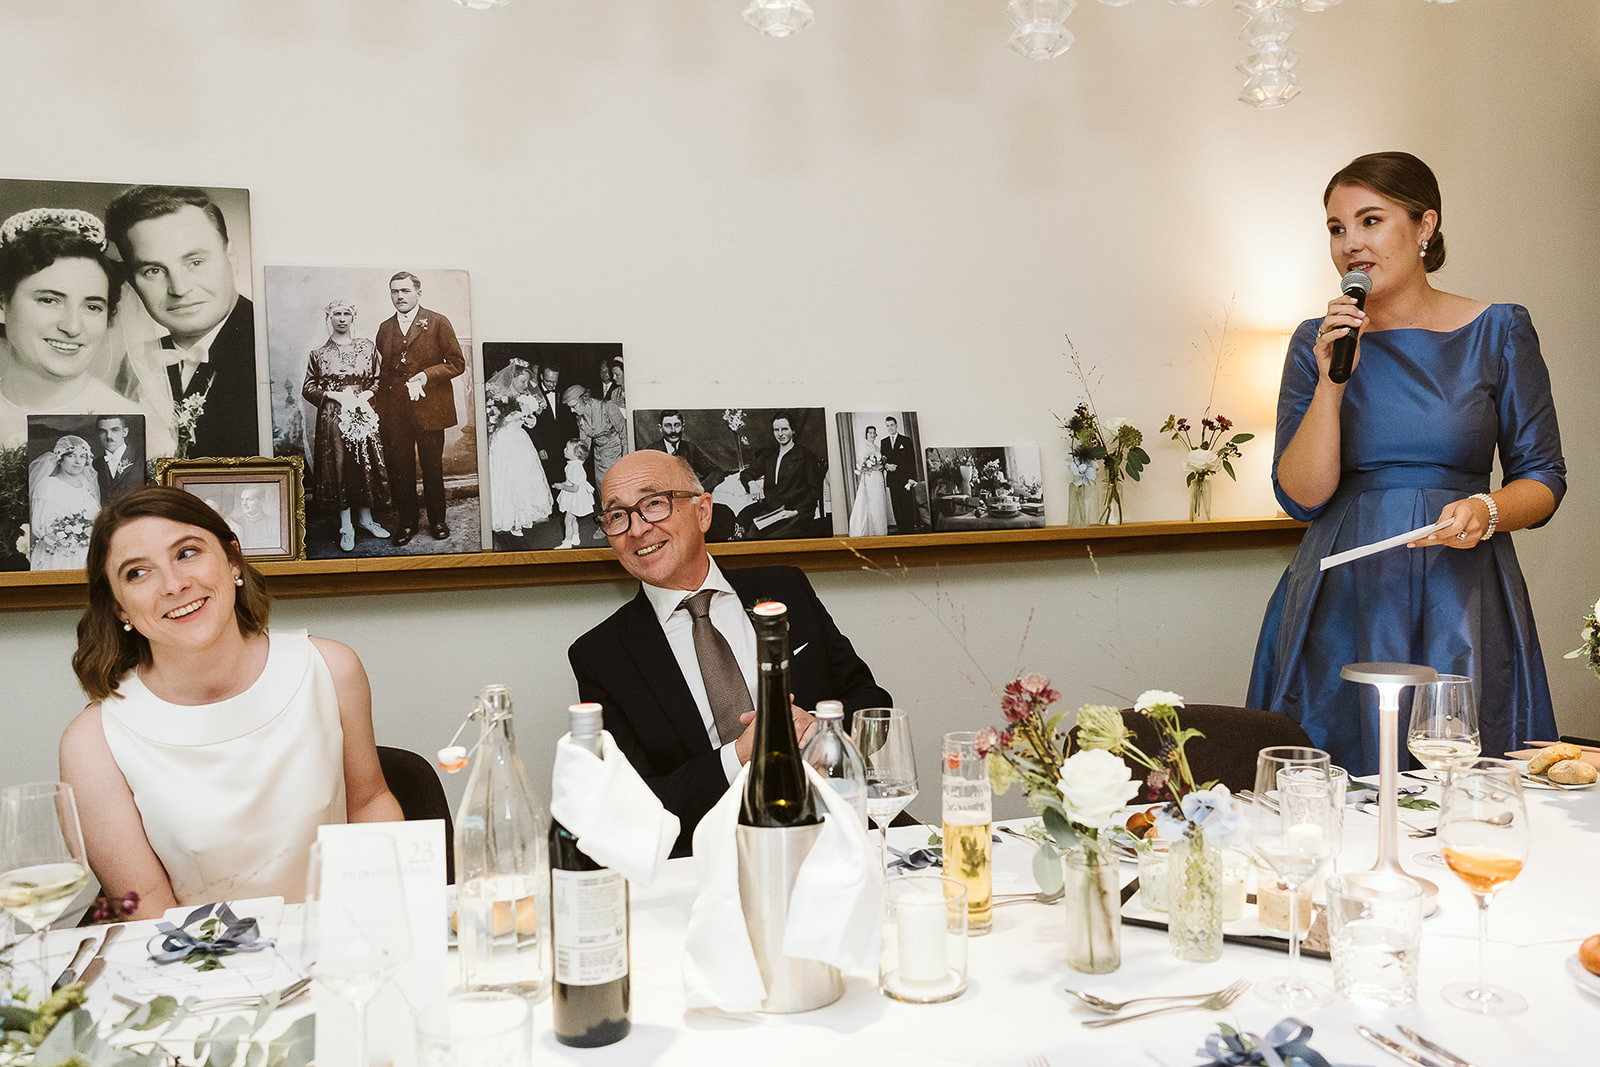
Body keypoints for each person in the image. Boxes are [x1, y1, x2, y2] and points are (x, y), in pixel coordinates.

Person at [1247, 152, 1566, 776]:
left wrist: (1487, 510)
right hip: (1344, 593)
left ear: (1425, 225)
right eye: (1337, 228)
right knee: (1333, 785)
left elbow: (1544, 477)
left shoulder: (1499, 330)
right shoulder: (1315, 341)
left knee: (1463, 780)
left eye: (1370, 220)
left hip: (1462, 593)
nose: (1350, 243)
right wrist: (1331, 381)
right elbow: (1302, 497)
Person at [58, 486, 401, 914]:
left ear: (233, 560)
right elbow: (146, 908)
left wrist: (383, 923)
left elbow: (369, 804)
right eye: (138, 573)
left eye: (187, 553)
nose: (174, 585)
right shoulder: (92, 743)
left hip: (344, 938)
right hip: (195, 952)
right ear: (119, 608)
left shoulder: (332, 668)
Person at [568, 450, 892, 854]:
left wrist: (822, 734)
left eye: (654, 504)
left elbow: (872, 702)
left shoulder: (786, 589)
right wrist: (739, 755)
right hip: (703, 857)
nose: (637, 529)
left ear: (703, 511)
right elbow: (631, 801)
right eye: (618, 515)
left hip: (834, 832)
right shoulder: (600, 655)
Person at [105, 186, 258, 458]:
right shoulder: (137, 365)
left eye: (195, 262)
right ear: (132, 281)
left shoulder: (273, 348)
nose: (179, 288)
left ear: (231, 257)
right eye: (153, 270)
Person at [0, 209, 138, 449]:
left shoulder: (141, 429)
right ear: (2, 305)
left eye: (92, 307)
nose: (72, 327)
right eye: (49, 300)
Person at [374, 272, 464, 545]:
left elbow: (457, 363)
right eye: (394, 291)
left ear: (418, 293)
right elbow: (385, 374)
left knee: (432, 468)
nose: (400, 296)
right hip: (396, 413)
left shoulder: (438, 322)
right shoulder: (385, 328)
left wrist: (426, 375)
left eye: (405, 291)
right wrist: (381, 413)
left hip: (430, 410)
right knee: (401, 470)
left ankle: (437, 520)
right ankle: (407, 523)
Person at [301, 299, 389, 552]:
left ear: (353, 317)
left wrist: (366, 395)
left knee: (363, 463)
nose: (341, 319)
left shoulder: (367, 347)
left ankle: (366, 519)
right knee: (339, 467)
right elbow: (308, 388)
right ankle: (346, 526)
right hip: (333, 417)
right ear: (329, 317)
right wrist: (334, 396)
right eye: (337, 314)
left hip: (363, 411)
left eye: (346, 314)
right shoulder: (319, 354)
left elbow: (379, 378)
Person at [485, 360, 553, 538]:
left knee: (522, 477)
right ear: (512, 378)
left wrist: (530, 420)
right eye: (522, 381)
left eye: (527, 382)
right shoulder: (498, 396)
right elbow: (493, 421)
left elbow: (530, 422)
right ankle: (509, 518)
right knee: (506, 477)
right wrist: (503, 418)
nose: (525, 385)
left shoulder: (526, 398)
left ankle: (522, 518)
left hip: (520, 439)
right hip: (503, 440)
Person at [743, 412, 822, 539]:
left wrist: (796, 512)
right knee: (749, 536)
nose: (780, 434)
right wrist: (751, 484)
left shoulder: (806, 455)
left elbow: (814, 491)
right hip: (772, 513)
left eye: (784, 429)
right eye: (776, 430)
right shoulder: (769, 456)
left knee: (772, 540)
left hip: (797, 515)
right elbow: (746, 473)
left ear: (793, 430)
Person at [28, 434, 101, 570]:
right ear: (60, 458)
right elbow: (41, 526)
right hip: (57, 555)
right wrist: (71, 537)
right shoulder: (48, 485)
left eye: (82, 456)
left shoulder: (86, 484)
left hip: (86, 554)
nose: (78, 461)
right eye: (71, 456)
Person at [565, 383, 625, 498]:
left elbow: (624, 432)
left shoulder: (607, 406)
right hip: (600, 456)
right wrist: (576, 464)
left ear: (583, 399)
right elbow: (585, 444)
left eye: (573, 406)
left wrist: (626, 458)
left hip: (617, 452)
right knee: (602, 487)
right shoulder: (580, 418)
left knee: (615, 488)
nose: (572, 411)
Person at [644, 410, 722, 488]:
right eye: (668, 426)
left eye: (677, 425)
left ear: (683, 427)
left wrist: (699, 488)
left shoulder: (690, 449)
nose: (673, 430)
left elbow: (715, 471)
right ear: (660, 428)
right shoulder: (651, 451)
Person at [528, 363, 576, 490]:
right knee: (548, 484)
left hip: (563, 447)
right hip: (545, 448)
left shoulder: (562, 391)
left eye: (555, 381)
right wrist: (539, 447)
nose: (552, 385)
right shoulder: (533, 394)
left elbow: (570, 421)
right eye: (549, 381)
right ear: (541, 377)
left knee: (565, 482)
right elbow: (530, 425)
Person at [879, 415, 921, 533]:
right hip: (893, 480)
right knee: (896, 507)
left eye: (892, 425)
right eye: (888, 426)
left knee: (907, 506)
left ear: (896, 425)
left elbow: (911, 460)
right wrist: (887, 466)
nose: (890, 428)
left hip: (905, 480)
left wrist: (911, 478)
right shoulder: (884, 442)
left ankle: (910, 532)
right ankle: (901, 531)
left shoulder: (906, 440)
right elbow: (883, 460)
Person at [848, 424, 890, 537]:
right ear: (866, 435)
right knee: (871, 502)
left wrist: (881, 465)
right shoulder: (864, 447)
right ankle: (869, 530)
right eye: (870, 433)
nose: (872, 435)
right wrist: (871, 465)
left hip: (878, 477)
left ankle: (879, 530)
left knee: (879, 502)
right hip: (870, 477)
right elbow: (861, 465)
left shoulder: (877, 448)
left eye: (874, 433)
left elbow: (881, 463)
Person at [552, 438, 594, 549]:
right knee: (573, 518)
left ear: (576, 454)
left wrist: (562, 486)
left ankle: (567, 542)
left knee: (568, 520)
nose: (564, 449)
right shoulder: (574, 464)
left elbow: (575, 488)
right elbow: (571, 482)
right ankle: (575, 537)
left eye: (567, 448)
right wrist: (562, 484)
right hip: (574, 495)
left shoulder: (576, 468)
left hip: (576, 497)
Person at [95, 415, 143, 503]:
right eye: (103, 431)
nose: (109, 436)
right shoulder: (95, 464)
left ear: (125, 432)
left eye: (115, 430)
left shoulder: (141, 460)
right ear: (98, 434)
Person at [232, 484, 279, 552]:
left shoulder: (274, 525)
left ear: (261, 501)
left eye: (249, 499)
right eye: (242, 499)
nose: (244, 503)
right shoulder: (236, 524)